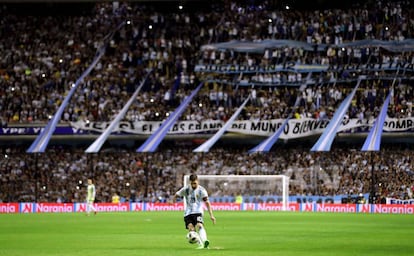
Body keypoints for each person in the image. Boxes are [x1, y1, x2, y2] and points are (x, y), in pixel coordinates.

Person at [172, 174, 216, 249]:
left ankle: (205, 241)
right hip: (187, 213)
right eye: (192, 183)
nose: (193, 185)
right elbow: (176, 194)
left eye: (195, 183)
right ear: (190, 182)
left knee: (199, 225)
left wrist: (211, 215)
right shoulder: (185, 189)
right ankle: (200, 244)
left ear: (197, 181)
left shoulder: (202, 190)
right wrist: (173, 201)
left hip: (198, 211)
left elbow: (207, 203)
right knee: (191, 229)